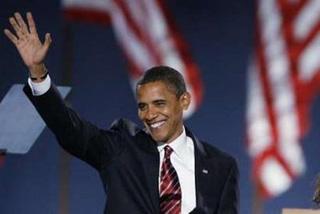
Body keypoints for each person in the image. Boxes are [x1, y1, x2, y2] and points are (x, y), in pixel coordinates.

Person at [4, 12, 239, 214]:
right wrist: (37, 70)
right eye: (143, 106)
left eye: (159, 103)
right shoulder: (122, 147)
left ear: (183, 101)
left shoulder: (221, 166)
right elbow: (70, 130)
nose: (150, 114)